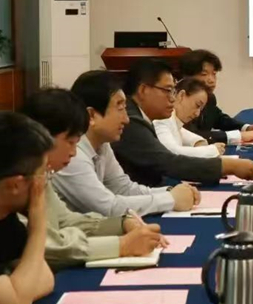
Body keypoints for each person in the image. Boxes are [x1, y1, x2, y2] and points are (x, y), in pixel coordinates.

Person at [23, 89, 167, 268]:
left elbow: (66, 220)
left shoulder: (42, 174)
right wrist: (121, 245)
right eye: (70, 142)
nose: (73, 152)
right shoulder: (17, 177)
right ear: (42, 137)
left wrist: (121, 224)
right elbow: (48, 246)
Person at [54, 70, 196, 217]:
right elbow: (108, 208)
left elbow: (123, 189)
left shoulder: (102, 144)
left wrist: (170, 192)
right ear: (91, 115)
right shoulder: (71, 154)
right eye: (120, 109)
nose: (126, 119)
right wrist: (170, 199)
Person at [112, 59, 253, 187]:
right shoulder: (131, 121)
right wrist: (226, 166)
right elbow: (167, 161)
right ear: (143, 90)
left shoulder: (142, 115)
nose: (173, 98)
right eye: (168, 90)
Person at [0, 112, 55, 304]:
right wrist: (38, 225)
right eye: (43, 175)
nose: (44, 184)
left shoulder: (2, 216)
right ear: (15, 185)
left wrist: (13, 295)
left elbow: (44, 277)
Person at [178, 49, 253, 145]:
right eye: (204, 74)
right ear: (187, 77)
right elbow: (192, 135)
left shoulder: (209, 98)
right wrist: (239, 136)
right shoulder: (180, 101)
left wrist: (246, 128)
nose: (211, 80)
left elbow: (219, 119)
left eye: (214, 74)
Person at [154, 78, 225, 159]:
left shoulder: (174, 121)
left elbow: (182, 132)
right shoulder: (162, 118)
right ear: (181, 96)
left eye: (200, 109)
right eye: (197, 105)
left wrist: (198, 141)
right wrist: (212, 150)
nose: (197, 114)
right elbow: (172, 152)